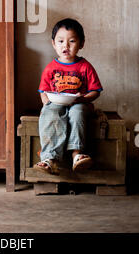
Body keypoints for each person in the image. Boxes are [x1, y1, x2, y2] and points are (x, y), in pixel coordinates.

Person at [34, 18, 103, 174]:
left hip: (79, 104)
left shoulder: (85, 66)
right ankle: (50, 158)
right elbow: (43, 91)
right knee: (50, 112)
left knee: (76, 112)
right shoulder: (51, 68)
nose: (65, 45)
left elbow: (96, 91)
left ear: (81, 44)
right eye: (61, 41)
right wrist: (46, 104)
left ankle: (76, 155)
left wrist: (83, 99)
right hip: (56, 103)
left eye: (71, 41)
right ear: (53, 44)